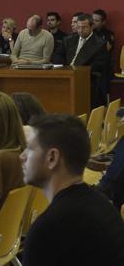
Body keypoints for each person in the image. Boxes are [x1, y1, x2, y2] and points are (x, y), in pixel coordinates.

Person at [20, 114, 124, 266]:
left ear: (52, 158)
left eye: (29, 149)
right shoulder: (102, 204)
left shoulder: (48, 229)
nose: (21, 157)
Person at [59, 13, 110, 107]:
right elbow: (58, 55)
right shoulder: (68, 40)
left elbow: (99, 65)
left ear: (91, 27)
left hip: (86, 78)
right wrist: (64, 68)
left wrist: (79, 71)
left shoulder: (100, 44)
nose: (80, 30)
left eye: (84, 27)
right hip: (65, 74)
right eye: (78, 27)